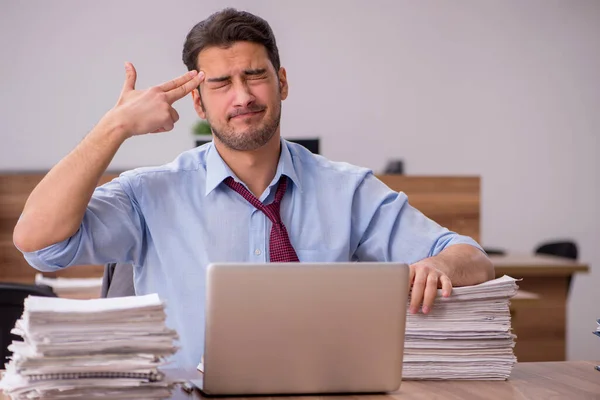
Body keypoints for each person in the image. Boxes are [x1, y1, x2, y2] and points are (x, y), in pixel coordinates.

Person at [13, 8, 494, 368]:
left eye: (255, 76)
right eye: (221, 83)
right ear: (199, 104)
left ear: (281, 82)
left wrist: (438, 262)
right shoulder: (149, 192)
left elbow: (472, 256)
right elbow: (40, 243)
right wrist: (112, 128)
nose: (242, 96)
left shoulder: (347, 190)